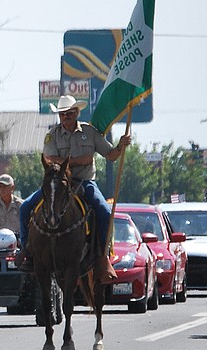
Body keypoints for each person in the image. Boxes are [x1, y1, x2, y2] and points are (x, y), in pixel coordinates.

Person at [17, 95, 132, 282]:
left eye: (69, 114)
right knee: (25, 208)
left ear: (76, 113)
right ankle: (27, 251)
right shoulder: (52, 135)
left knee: (104, 211)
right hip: (58, 183)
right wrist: (80, 161)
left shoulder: (90, 132)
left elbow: (111, 155)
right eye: (62, 115)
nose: (65, 118)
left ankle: (103, 258)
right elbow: (50, 160)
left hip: (85, 182)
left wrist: (121, 145)